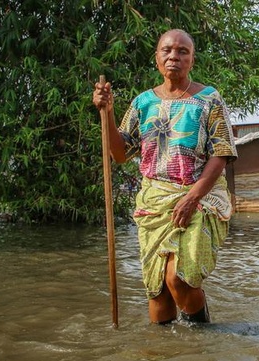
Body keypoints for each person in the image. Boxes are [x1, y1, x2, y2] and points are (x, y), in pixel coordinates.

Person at [91, 29, 237, 324]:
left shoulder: (209, 99)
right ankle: (162, 357)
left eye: (183, 51)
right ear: (157, 58)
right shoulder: (143, 102)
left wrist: (192, 198)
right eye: (167, 50)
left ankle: (202, 337)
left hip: (200, 198)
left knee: (179, 278)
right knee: (157, 290)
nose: (174, 56)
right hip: (154, 200)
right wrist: (107, 111)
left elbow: (221, 153)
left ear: (192, 60)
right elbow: (120, 153)